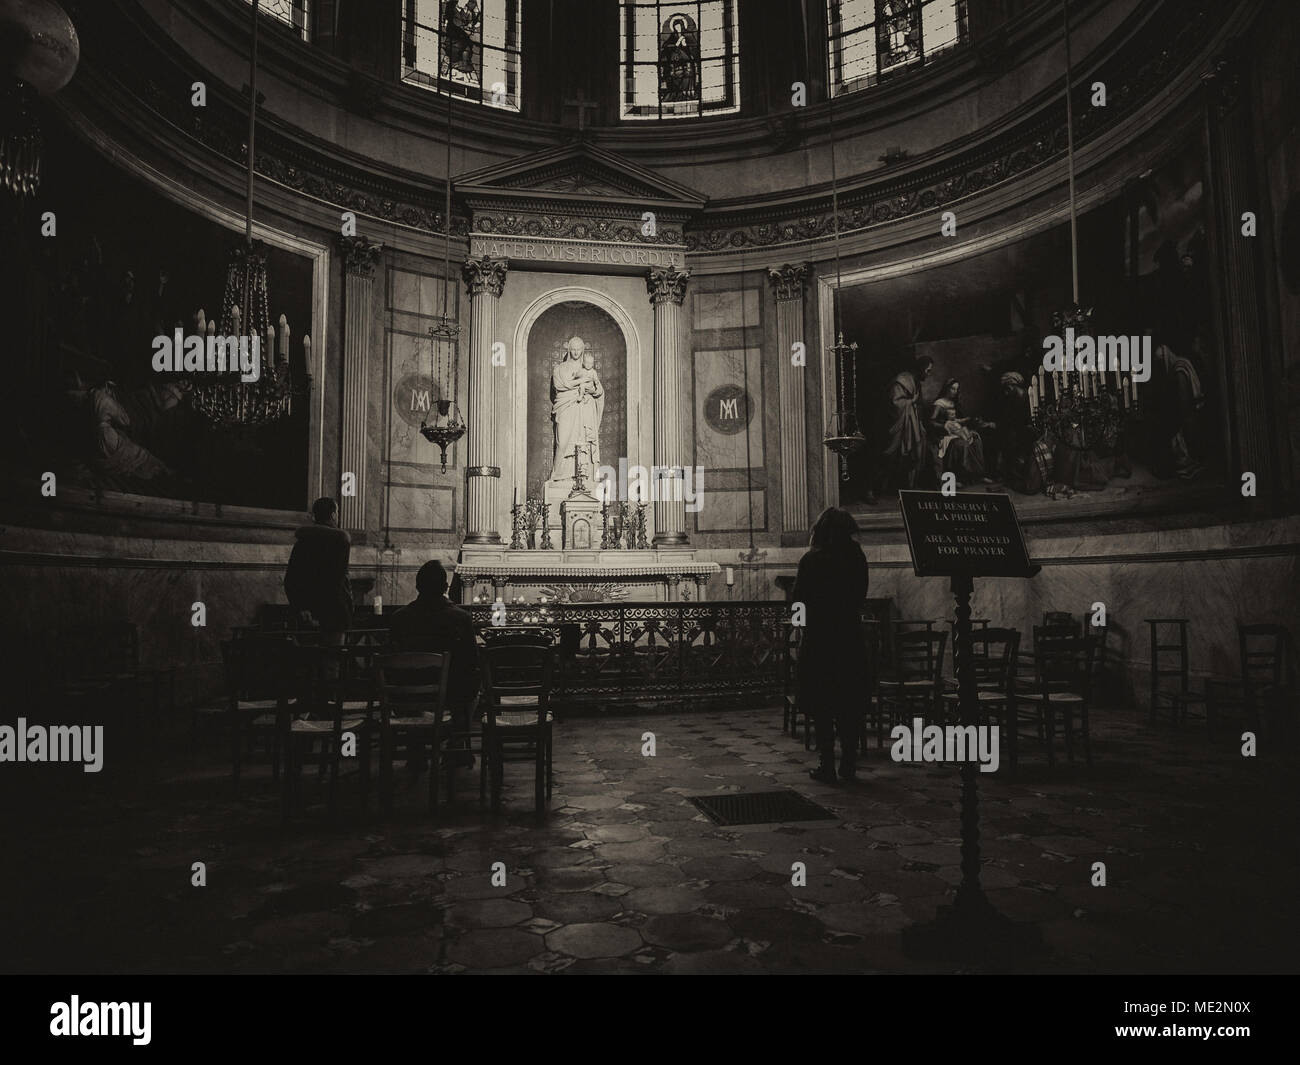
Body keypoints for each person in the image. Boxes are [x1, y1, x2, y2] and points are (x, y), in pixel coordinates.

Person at [792, 507, 870, 784]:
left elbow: (798, 600)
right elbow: (861, 593)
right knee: (849, 703)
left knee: (822, 704)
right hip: (849, 636)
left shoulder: (812, 560)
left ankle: (826, 763)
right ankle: (848, 763)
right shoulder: (857, 557)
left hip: (821, 638)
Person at [388, 560, 481, 769]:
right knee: (471, 686)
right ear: (445, 588)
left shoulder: (399, 618)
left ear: (417, 586)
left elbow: (391, 661)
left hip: (406, 694)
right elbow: (472, 661)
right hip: (450, 694)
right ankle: (456, 746)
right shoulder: (460, 618)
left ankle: (416, 748)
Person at [284, 497, 353, 642]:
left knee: (308, 659)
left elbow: (290, 580)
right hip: (333, 614)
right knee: (332, 658)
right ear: (334, 515)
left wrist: (301, 608)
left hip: (306, 614)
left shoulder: (303, 541)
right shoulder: (339, 541)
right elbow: (337, 581)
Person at [883, 355, 933, 491]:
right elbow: (895, 403)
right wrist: (911, 401)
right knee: (889, 455)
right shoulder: (902, 380)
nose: (929, 374)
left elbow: (919, 404)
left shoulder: (916, 382)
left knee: (915, 451)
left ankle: (909, 487)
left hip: (911, 424)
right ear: (921, 369)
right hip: (897, 425)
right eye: (928, 371)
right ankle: (872, 488)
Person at [929, 378, 992, 486]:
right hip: (944, 434)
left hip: (956, 431)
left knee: (976, 440)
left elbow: (959, 420)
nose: (954, 391)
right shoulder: (939, 403)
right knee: (961, 445)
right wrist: (944, 425)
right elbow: (931, 422)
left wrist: (969, 421)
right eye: (952, 388)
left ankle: (978, 475)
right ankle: (960, 477)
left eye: (956, 389)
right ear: (946, 388)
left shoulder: (954, 403)